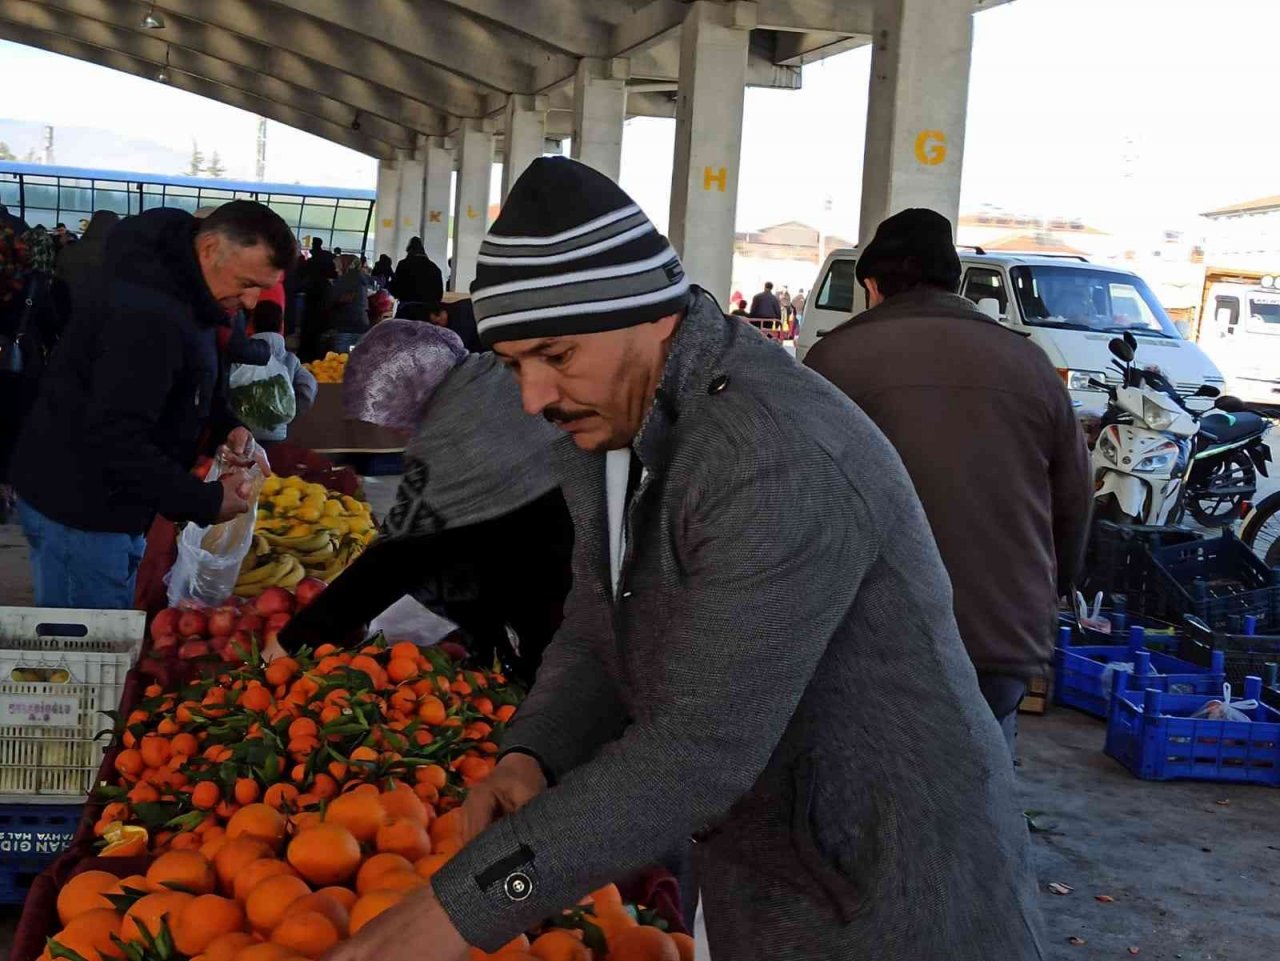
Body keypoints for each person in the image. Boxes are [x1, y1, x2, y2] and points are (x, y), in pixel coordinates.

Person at [327, 157, 1044, 961]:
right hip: (766, 865)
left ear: (652, 317)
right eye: (514, 363)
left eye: (556, 355)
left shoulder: (771, 454)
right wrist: (534, 750)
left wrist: (460, 911)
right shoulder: (602, 427)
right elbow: (601, 624)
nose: (533, 396)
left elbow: (700, 747)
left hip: (894, 894)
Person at [804, 208, 1092, 753]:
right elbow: (1074, 505)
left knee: (869, 796)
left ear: (871, 283)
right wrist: (1045, 597)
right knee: (978, 782)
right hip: (1002, 645)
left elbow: (792, 503)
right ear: (953, 280)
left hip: (868, 644)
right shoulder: (1031, 364)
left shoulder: (833, 360)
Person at [9, 200, 294, 609]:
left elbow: (186, 375)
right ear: (211, 248)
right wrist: (206, 501)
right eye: (247, 282)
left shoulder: (184, 290)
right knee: (86, 651)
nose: (252, 302)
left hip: (108, 505)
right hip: (82, 510)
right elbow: (114, 438)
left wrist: (225, 422)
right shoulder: (147, 313)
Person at [279, 320, 570, 683]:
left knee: (550, 657)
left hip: (552, 564)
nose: (394, 426)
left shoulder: (448, 436)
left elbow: (398, 555)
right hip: (586, 522)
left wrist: (299, 638)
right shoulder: (494, 370)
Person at [239, 331, 317, 446]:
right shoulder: (290, 359)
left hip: (244, 432)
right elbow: (309, 386)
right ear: (280, 324)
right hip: (277, 432)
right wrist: (290, 413)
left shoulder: (242, 354)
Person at [52, 210, 119, 331]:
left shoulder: (68, 251)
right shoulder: (115, 256)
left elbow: (57, 281)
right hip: (101, 320)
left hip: (67, 314)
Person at [298, 237, 337, 361]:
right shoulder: (327, 258)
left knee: (308, 326)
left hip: (312, 294)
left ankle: (306, 356)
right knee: (319, 329)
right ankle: (317, 356)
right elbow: (334, 273)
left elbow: (302, 275)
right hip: (323, 295)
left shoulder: (311, 261)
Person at [390, 236, 444, 321]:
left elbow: (395, 288)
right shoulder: (435, 268)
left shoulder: (403, 265)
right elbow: (439, 295)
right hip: (427, 313)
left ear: (409, 250)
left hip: (406, 310)